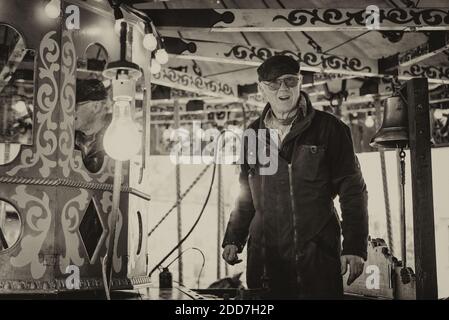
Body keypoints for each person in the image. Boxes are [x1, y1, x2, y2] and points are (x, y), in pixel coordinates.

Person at [222, 55, 369, 299]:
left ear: (300, 83)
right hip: (265, 258)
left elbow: (352, 189)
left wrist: (354, 246)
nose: (283, 89)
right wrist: (234, 238)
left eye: (289, 81)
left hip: (316, 257)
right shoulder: (252, 134)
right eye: (273, 84)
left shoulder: (330, 129)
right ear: (261, 90)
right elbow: (245, 193)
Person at [75, 78, 112, 173]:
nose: (70, 111)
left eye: (75, 106)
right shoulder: (67, 139)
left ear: (96, 107)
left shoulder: (115, 140)